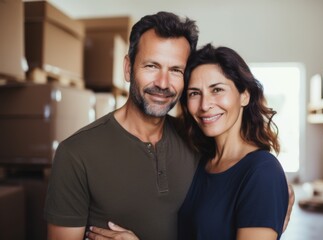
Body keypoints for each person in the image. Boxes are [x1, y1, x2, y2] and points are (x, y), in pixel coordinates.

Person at [45, 11, 294, 240]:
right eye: (152, 66)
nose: (163, 83)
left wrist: (275, 187)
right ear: (128, 68)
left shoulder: (197, 143)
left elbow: (249, 172)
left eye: (176, 70)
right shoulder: (76, 153)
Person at [177, 43, 289, 240]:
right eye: (194, 93)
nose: (205, 105)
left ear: (244, 95)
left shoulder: (263, 172)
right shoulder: (201, 162)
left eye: (217, 89)